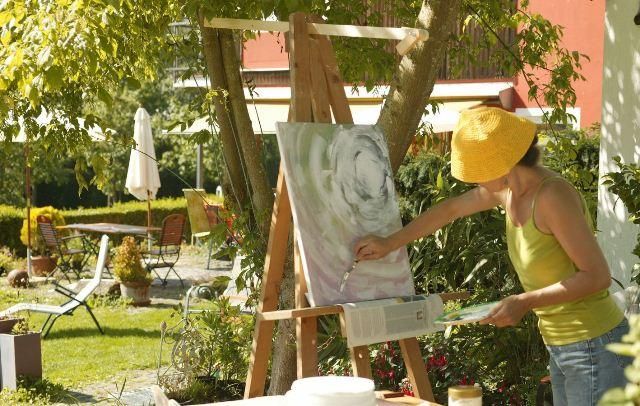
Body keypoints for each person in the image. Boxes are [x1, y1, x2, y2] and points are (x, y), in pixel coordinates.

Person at [354, 107, 628, 406]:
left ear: (501, 165)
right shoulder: (508, 192)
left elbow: (597, 276)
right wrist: (390, 243)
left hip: (593, 343)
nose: (474, 182)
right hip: (564, 345)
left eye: (477, 173)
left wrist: (524, 301)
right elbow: (450, 209)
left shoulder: (552, 197)